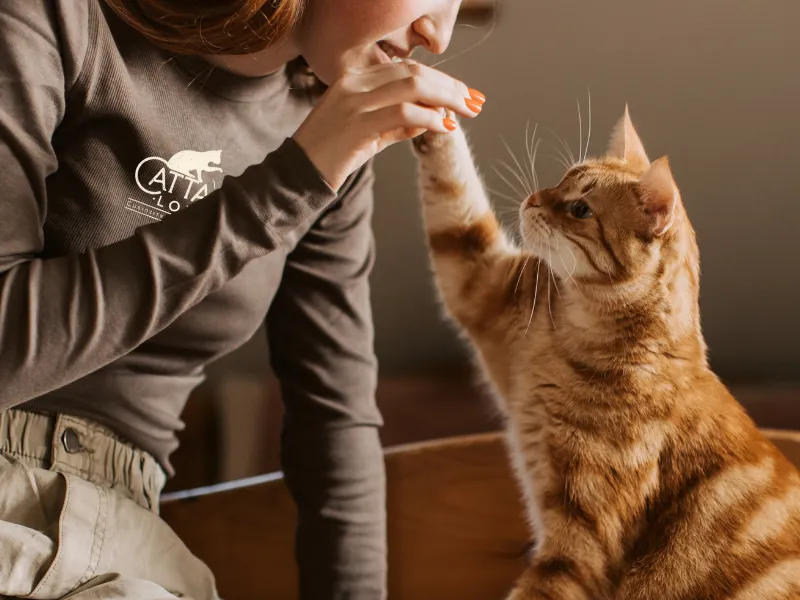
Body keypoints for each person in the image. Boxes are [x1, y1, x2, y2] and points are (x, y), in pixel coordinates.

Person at [0, 0, 485, 598]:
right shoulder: (54, 17)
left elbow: (334, 419)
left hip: (128, 541)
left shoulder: (331, 136)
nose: (439, 35)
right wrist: (291, 183)